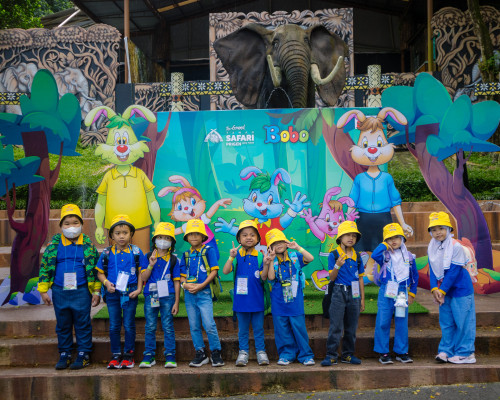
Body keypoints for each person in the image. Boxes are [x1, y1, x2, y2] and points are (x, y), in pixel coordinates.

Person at [38, 204, 100, 370]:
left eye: (75, 223)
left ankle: (84, 354)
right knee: (63, 324)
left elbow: (96, 270)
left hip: (82, 291)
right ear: (61, 226)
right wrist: (43, 290)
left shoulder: (88, 246)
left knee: (82, 323)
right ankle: (65, 353)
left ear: (81, 224)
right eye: (67, 223)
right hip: (60, 291)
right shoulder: (53, 246)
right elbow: (45, 268)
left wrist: (96, 291)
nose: (71, 226)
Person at [95, 214, 146, 369]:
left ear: (131, 234)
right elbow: (99, 273)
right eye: (117, 233)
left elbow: (141, 272)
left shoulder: (136, 252)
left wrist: (139, 289)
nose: (121, 236)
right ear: (112, 235)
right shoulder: (107, 253)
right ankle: (116, 354)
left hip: (130, 292)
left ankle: (129, 355)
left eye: (125, 233)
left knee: (129, 324)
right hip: (112, 293)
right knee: (114, 325)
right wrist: (106, 283)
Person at [428, 212, 476, 364]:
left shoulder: (456, 246)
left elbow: (454, 271)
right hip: (444, 291)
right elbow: (432, 270)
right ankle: (446, 351)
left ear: (449, 229)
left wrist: (441, 290)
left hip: (460, 289)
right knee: (446, 322)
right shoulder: (432, 247)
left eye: (441, 228)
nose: (438, 232)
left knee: (463, 322)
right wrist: (434, 289)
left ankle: (466, 353)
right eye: (434, 229)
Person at [263, 229, 315, 366]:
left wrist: (298, 247)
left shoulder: (294, 256)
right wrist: (270, 261)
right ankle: (286, 355)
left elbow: (310, 258)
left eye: (281, 241)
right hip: (278, 301)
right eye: (274, 243)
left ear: (286, 243)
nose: (279, 244)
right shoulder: (271, 260)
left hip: (295, 301)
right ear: (270, 247)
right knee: (282, 329)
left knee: (299, 328)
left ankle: (306, 355)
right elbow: (271, 277)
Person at [223, 220, 270, 366]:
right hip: (241, 301)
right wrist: (231, 257)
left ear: (257, 239)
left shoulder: (260, 256)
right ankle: (243, 352)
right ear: (239, 239)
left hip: (257, 300)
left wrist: (266, 264)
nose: (248, 237)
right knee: (242, 330)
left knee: (258, 329)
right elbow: (225, 271)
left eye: (252, 235)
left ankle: (261, 352)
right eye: (244, 235)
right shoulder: (236, 255)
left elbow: (264, 277)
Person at [371, 223, 418, 364]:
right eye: (389, 238)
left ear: (402, 239)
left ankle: (401, 351)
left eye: (396, 237)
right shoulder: (384, 255)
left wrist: (412, 293)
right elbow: (374, 254)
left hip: (402, 292)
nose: (393, 241)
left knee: (401, 321)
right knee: (383, 321)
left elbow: (414, 277)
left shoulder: (409, 257)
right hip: (387, 291)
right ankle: (383, 352)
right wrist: (384, 245)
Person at [179, 219, 224, 367]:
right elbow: (182, 276)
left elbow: (214, 271)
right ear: (186, 237)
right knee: (194, 325)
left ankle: (216, 352)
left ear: (203, 236)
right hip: (189, 294)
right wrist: (185, 285)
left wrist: (201, 286)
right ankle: (200, 353)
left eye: (197, 234)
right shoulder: (185, 255)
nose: (193, 237)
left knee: (209, 324)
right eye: (190, 234)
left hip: (204, 292)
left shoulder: (209, 251)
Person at [321, 220, 365, 366]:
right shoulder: (334, 255)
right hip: (338, 292)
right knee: (336, 326)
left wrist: (362, 299)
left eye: (354, 235)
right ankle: (331, 355)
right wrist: (337, 265)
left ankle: (348, 354)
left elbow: (360, 278)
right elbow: (332, 278)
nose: (351, 238)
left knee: (351, 326)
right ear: (340, 237)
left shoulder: (357, 256)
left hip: (354, 293)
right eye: (347, 235)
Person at [139, 222, 180, 368]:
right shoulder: (147, 256)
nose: (163, 241)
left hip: (168, 296)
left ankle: (170, 355)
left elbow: (177, 281)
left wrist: (176, 302)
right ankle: (149, 355)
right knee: (150, 325)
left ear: (172, 242)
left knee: (167, 325)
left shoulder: (174, 260)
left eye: (167, 238)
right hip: (151, 295)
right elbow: (143, 277)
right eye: (160, 237)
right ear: (155, 239)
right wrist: (151, 264)